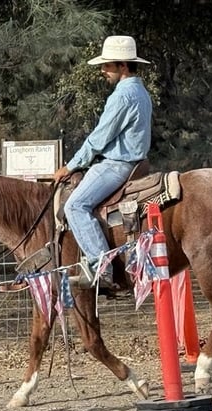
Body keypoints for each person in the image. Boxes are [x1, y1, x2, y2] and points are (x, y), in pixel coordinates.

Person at [53, 35, 152, 291]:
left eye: (107, 65)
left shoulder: (122, 96)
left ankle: (102, 267)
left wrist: (71, 166)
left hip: (117, 165)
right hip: (135, 163)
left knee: (75, 206)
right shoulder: (141, 91)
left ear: (123, 66)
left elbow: (99, 138)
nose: (102, 70)